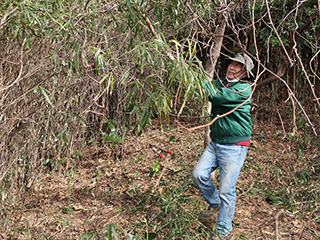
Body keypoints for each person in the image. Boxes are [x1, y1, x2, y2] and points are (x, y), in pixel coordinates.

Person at [192, 53, 255, 239]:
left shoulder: (244, 89)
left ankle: (223, 231)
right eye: (231, 64)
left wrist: (197, 79)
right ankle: (215, 203)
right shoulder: (220, 83)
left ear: (245, 73)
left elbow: (216, 96)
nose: (232, 68)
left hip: (234, 145)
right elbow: (207, 89)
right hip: (216, 142)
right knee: (198, 175)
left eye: (238, 66)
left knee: (227, 190)